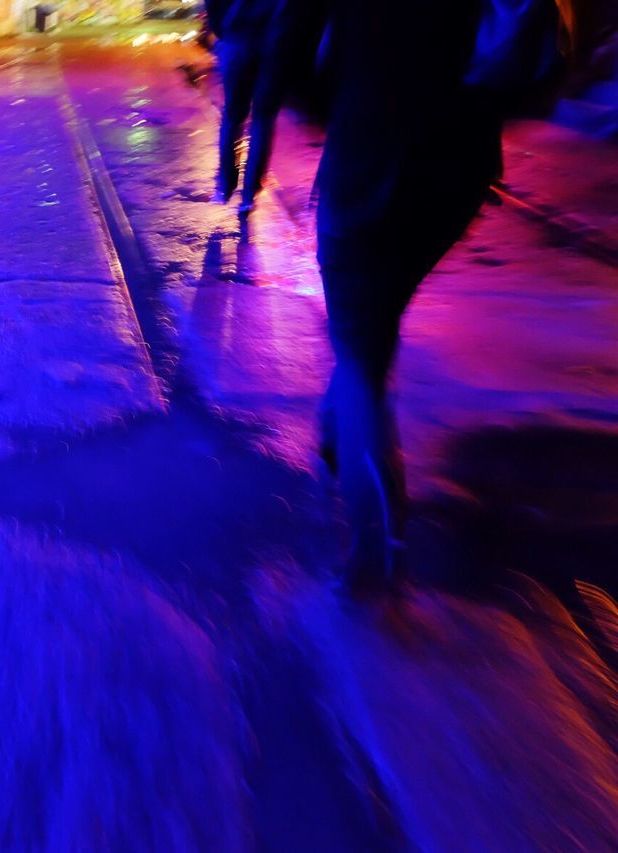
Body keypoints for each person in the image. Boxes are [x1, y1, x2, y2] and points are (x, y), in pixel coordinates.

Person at [314, 0, 568, 593]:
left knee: (360, 358)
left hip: (371, 164)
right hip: (461, 167)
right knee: (375, 319)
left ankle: (374, 562)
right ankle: (337, 425)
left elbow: (311, 61)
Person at [205, 0, 310, 220]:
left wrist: (223, 29)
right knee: (263, 119)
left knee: (233, 116)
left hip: (237, 37)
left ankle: (225, 186)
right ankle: (248, 196)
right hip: (275, 43)